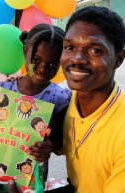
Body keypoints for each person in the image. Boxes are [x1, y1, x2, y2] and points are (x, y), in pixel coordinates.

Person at [0, 23, 71, 193]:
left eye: (52, 64)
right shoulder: (4, 90)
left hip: (31, 180)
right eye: (36, 61)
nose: (42, 69)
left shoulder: (59, 98)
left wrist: (50, 146)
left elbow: (61, 140)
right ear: (25, 52)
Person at [44, 5, 125, 193]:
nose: (77, 59)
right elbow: (64, 145)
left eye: (95, 51)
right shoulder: (68, 101)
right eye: (70, 48)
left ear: (118, 59)